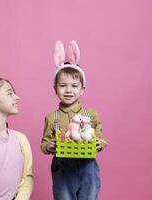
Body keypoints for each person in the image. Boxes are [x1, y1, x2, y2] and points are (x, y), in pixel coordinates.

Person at [40, 41, 108, 200]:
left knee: (90, 197)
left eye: (74, 86)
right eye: (63, 85)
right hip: (63, 169)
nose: (69, 90)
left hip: (87, 167)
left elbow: (100, 136)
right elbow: (44, 143)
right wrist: (48, 146)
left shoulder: (91, 114)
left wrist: (100, 143)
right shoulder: (52, 117)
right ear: (55, 89)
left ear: (82, 89)